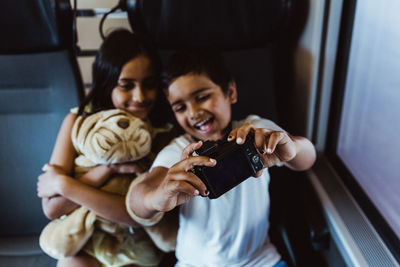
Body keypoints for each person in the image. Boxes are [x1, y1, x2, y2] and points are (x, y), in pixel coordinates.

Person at [126, 49, 317, 267]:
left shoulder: (256, 130)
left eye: (202, 97)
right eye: (180, 107)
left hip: (260, 261)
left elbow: (307, 158)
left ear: (231, 92)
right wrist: (158, 196)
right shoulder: (180, 151)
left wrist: (292, 149)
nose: (193, 113)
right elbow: (138, 198)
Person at [37, 29, 175, 267]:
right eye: (126, 85)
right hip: (85, 243)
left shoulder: (162, 135)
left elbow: (135, 216)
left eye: (149, 84)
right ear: (108, 83)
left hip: (136, 249)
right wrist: (106, 170)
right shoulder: (77, 124)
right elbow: (52, 207)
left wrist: (66, 186)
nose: (139, 96)